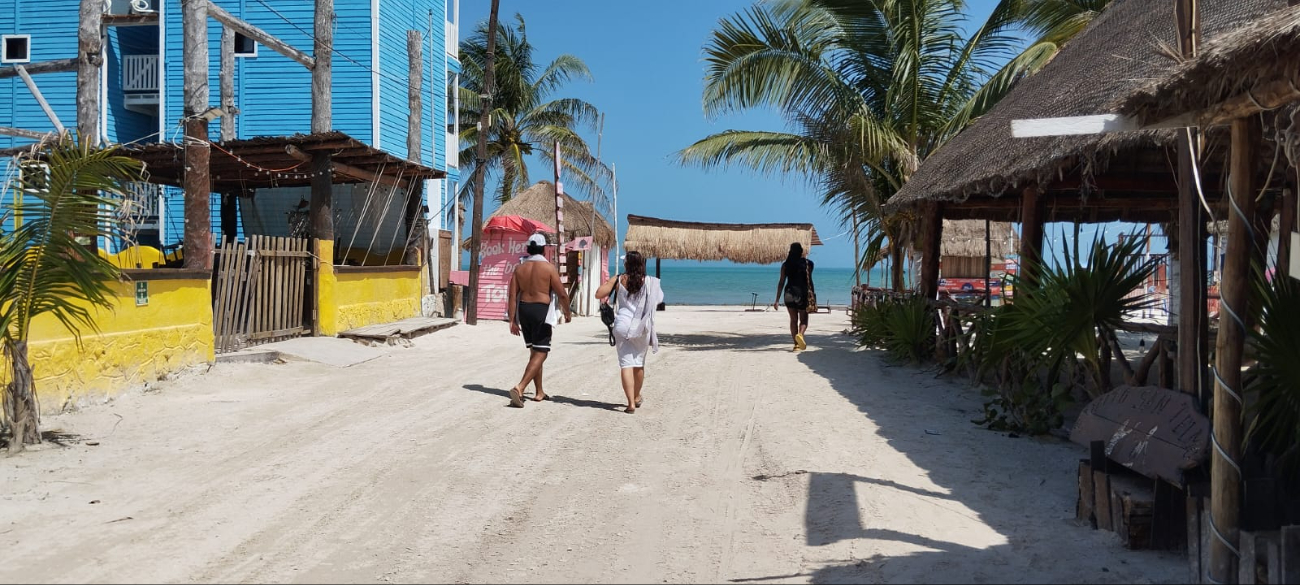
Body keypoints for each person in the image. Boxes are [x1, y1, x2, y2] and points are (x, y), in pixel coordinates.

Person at [506, 233, 572, 408]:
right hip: (541, 310)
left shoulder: (519, 268)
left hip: (524, 310)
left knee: (535, 352)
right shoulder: (549, 268)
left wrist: (512, 320)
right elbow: (562, 294)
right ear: (544, 249)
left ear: (528, 248)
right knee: (542, 352)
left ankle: (539, 392)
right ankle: (520, 388)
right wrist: (567, 312)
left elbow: (512, 295)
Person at [596, 251, 663, 414]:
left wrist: (612, 283)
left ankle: (631, 403)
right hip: (641, 326)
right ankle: (637, 395)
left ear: (626, 264)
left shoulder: (618, 279)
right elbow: (659, 299)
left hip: (622, 325)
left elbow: (599, 293)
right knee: (638, 363)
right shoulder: (648, 282)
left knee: (626, 363)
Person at [774, 242, 815, 351]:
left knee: (793, 320)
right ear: (801, 252)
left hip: (788, 294)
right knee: (804, 319)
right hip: (802, 293)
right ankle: (800, 335)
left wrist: (777, 299)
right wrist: (813, 295)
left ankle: (796, 345)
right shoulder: (808, 264)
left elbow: (781, 282)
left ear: (790, 252)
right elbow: (809, 281)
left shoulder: (785, 265)